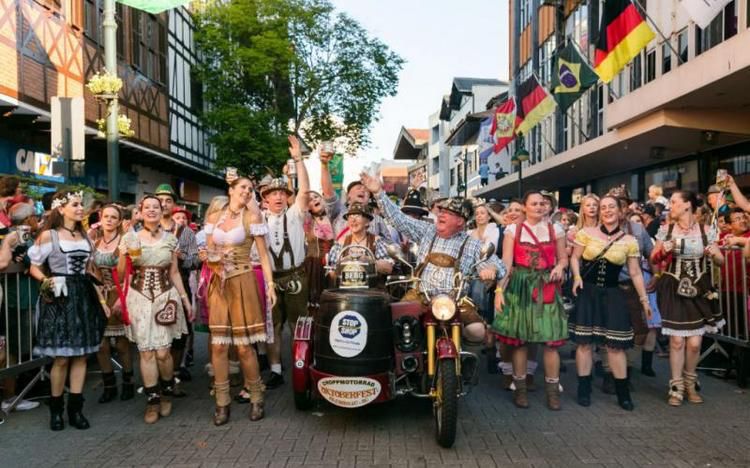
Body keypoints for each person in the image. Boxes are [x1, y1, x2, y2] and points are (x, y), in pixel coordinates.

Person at [360, 171, 505, 344]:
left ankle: (462, 353)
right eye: (441, 211)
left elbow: (497, 265)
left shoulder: (472, 243)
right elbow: (398, 219)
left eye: (448, 213)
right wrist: (378, 192)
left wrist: (490, 269)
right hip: (420, 296)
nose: (441, 215)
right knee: (397, 323)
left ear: (461, 221)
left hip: (456, 301)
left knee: (477, 331)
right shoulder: (427, 231)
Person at [28, 191, 107, 430]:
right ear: (61, 209)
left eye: (81, 204)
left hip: (83, 294)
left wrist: (101, 295)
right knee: (62, 357)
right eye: (75, 204)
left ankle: (76, 409)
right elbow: (34, 267)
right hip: (60, 296)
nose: (81, 208)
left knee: (81, 355)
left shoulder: (86, 236)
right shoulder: (49, 235)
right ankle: (56, 409)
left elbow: (90, 268)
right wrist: (47, 280)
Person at [201, 176, 276, 424]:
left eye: (250, 189)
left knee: (244, 346)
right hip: (218, 283)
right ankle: (222, 402)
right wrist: (207, 256)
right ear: (231, 189)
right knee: (219, 346)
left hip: (243, 279)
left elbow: (263, 256)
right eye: (243, 187)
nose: (247, 191)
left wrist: (270, 285)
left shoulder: (252, 217)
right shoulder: (214, 217)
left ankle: (256, 396)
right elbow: (209, 250)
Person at [569, 195, 653, 410]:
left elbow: (635, 273)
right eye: (603, 207)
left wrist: (644, 300)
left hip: (613, 294)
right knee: (584, 343)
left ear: (620, 211)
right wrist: (577, 276)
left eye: (611, 207)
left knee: (615, 346)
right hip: (588, 293)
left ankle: (623, 393)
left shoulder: (629, 240)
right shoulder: (586, 233)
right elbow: (575, 257)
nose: (606, 210)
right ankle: (584, 389)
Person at [118, 195, 192, 424]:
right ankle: (153, 400)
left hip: (164, 296)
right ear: (140, 212)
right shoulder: (130, 237)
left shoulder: (171, 239)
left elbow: (174, 272)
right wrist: (124, 255)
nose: (151, 210)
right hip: (139, 297)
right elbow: (121, 274)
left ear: (161, 211)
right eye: (147, 207)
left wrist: (186, 300)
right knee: (146, 352)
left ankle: (167, 390)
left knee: (162, 353)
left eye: (156, 207)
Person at [492, 191, 568, 410]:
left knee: (551, 342)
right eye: (534, 203)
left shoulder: (555, 229)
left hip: (546, 285)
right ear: (525, 207)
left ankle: (553, 393)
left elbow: (563, 258)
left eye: (542, 203)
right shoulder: (513, 230)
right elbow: (507, 263)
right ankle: (521, 390)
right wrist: (499, 290)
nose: (539, 207)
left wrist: (560, 267)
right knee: (521, 341)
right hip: (520, 286)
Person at [651, 191, 724, 406]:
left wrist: (713, 254)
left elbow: (721, 260)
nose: (670, 206)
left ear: (687, 205)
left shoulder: (706, 230)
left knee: (694, 343)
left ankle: (691, 382)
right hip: (673, 287)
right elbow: (653, 258)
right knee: (676, 341)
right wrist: (664, 251)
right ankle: (676, 387)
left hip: (699, 287)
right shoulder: (666, 230)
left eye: (674, 202)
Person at [262, 136, 310, 389]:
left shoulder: (294, 214)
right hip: (271, 279)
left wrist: (298, 159)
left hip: (295, 276)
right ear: (266, 199)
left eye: (282, 193)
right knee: (273, 325)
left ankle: (300, 365)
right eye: (273, 194)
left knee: (297, 324)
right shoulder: (259, 220)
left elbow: (305, 191)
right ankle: (276, 370)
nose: (279, 197)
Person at [155, 184, 199, 387]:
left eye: (168, 201)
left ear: (174, 205)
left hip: (179, 286)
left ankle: (173, 374)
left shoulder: (185, 232)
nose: (163, 204)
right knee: (155, 333)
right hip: (152, 287)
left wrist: (183, 258)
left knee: (180, 333)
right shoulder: (145, 230)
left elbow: (196, 260)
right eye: (160, 200)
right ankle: (157, 376)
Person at [0, 201, 41, 413]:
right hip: (17, 302)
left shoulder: (21, 237)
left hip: (24, 299)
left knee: (17, 349)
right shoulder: (11, 238)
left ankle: (14, 394)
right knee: (13, 350)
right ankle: (10, 397)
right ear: (28, 219)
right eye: (34, 216)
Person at [93, 204, 135, 404]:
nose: (109, 220)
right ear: (101, 219)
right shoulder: (95, 242)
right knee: (101, 345)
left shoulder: (124, 242)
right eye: (106, 216)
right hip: (98, 295)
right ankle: (109, 386)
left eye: (113, 217)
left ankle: (128, 382)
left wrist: (122, 297)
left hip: (120, 293)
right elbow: (91, 271)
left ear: (119, 222)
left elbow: (130, 273)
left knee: (121, 344)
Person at [327, 202, 393, 277]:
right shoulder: (341, 243)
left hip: (372, 284)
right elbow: (331, 272)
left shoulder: (376, 241)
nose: (353, 220)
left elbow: (388, 268)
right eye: (350, 216)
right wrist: (345, 264)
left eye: (358, 215)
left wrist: (369, 261)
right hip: (346, 284)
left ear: (367, 222)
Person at [303, 191, 334, 314]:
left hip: (328, 263)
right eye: (310, 200)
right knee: (313, 299)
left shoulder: (333, 217)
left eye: (316, 197)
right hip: (312, 264)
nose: (314, 200)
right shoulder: (307, 220)